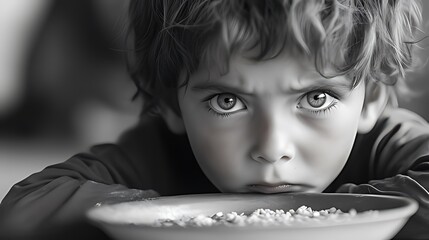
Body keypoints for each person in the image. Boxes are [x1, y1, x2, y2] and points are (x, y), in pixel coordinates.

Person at [1, 0, 428, 239]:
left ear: (372, 97)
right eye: (227, 102)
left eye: (316, 98)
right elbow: (27, 207)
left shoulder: (389, 142)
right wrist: (200, 218)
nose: (271, 148)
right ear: (170, 104)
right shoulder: (159, 151)